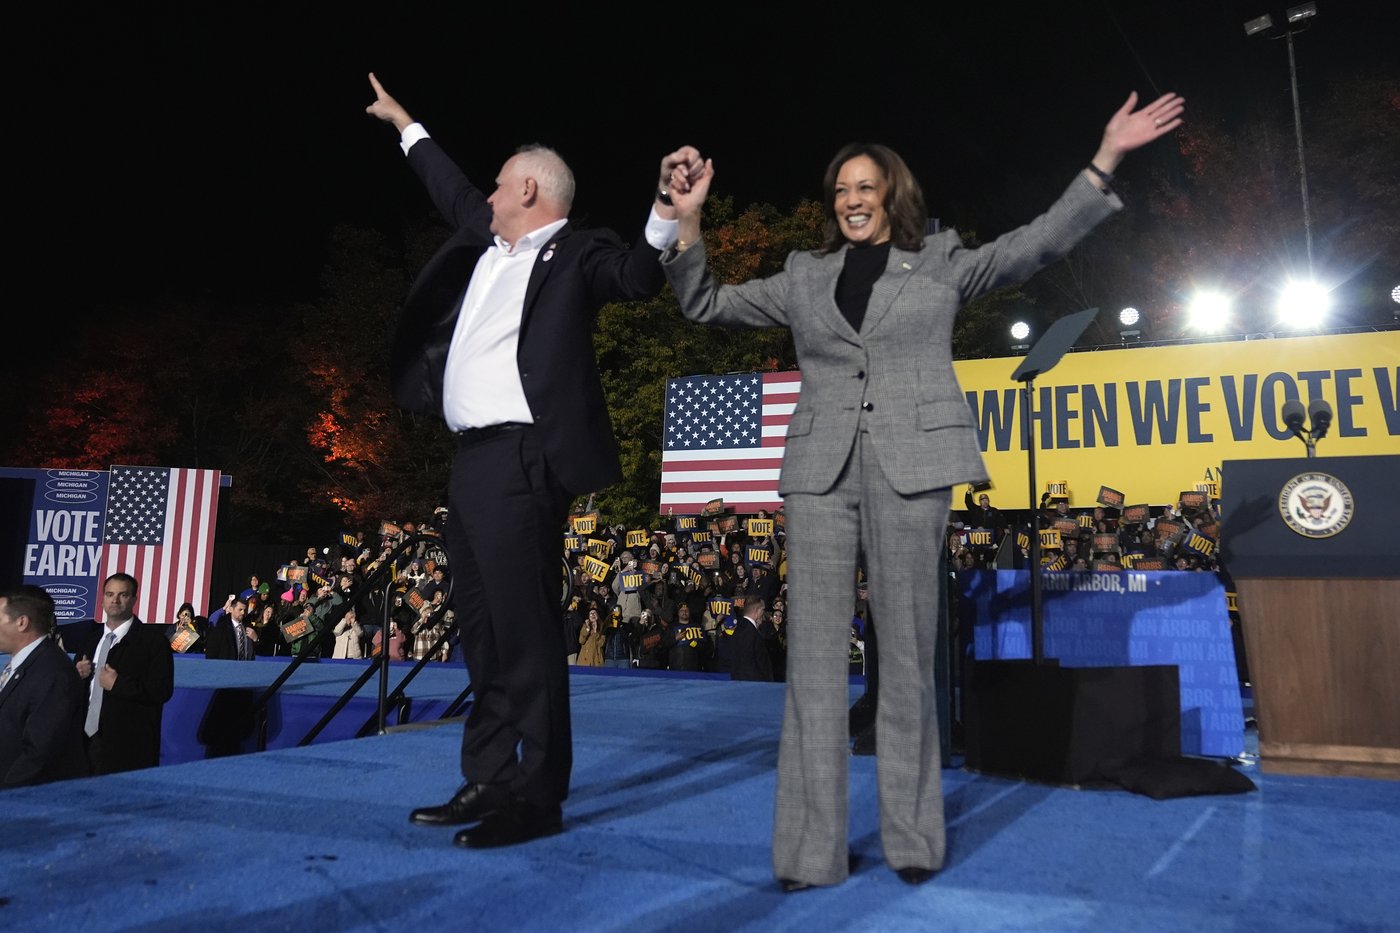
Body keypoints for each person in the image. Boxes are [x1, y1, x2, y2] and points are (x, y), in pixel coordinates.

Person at [662, 90, 1184, 890]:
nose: (850, 200)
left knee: (906, 656)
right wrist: (688, 220)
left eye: (865, 187)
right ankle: (809, 852)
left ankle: (912, 839)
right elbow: (704, 303)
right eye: (840, 190)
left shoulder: (941, 259)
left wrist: (1104, 158)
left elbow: (1034, 247)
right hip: (819, 473)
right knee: (813, 663)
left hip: (914, 464)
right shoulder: (804, 275)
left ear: (892, 195)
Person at [366, 73, 699, 849]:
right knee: (481, 630)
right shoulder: (486, 239)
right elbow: (446, 183)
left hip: (523, 458)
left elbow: (638, 278)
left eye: (496, 182)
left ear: (526, 188)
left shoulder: (579, 253)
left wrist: (661, 212)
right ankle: (490, 774)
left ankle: (538, 795)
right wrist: (405, 122)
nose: (481, 194)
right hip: (471, 461)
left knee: (526, 633)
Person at [72, 572, 175, 774]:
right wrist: (75, 676)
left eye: (123, 595)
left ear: (134, 599)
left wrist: (118, 684)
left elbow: (161, 691)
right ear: (102, 599)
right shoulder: (90, 640)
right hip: (84, 743)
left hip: (128, 747)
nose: (115, 600)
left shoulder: (153, 642)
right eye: (109, 594)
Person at [0, 585, 88, 787]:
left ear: (21, 622)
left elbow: (39, 752)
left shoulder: (53, 673)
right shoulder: (25, 663)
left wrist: (6, 794)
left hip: (26, 801)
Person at [729, 595, 776, 682]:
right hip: (753, 686)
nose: (764, 613)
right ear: (756, 611)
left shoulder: (741, 628)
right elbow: (747, 662)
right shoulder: (748, 632)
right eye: (763, 610)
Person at [204, 596, 259, 661]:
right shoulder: (220, 628)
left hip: (247, 668)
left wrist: (256, 639)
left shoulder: (250, 627)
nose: (243, 613)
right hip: (227, 668)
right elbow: (211, 653)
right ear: (231, 609)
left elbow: (260, 652)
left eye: (245, 610)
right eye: (240, 609)